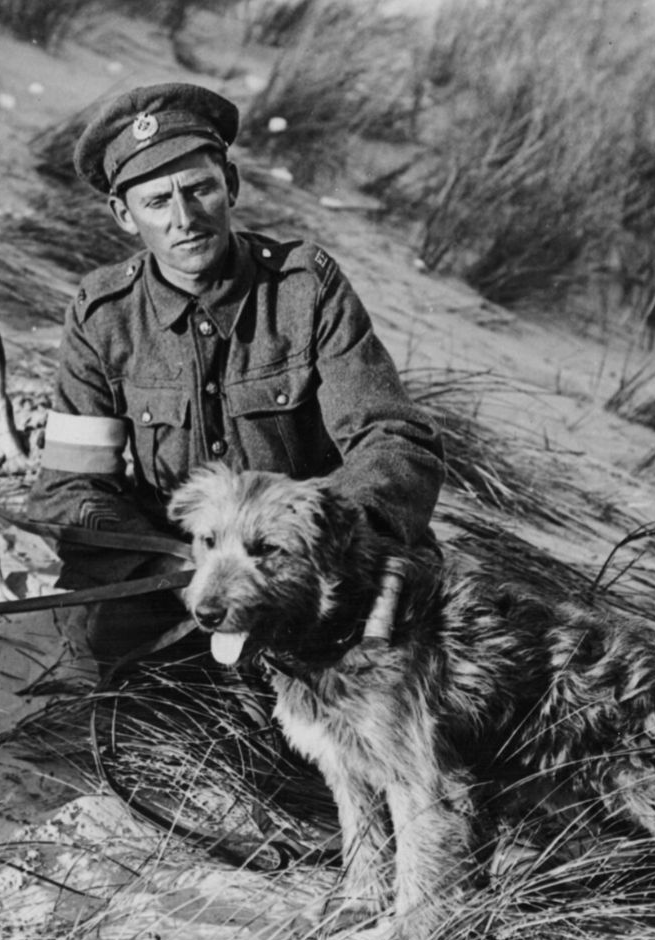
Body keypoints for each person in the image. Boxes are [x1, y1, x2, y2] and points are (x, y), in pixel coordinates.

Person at [25, 82, 444, 681]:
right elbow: (68, 490)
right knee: (122, 666)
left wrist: (330, 538)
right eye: (156, 201)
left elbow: (395, 436)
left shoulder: (304, 290)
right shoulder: (104, 317)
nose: (184, 219)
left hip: (309, 572)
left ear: (231, 184)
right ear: (124, 215)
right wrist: (168, 563)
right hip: (177, 579)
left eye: (199, 189)